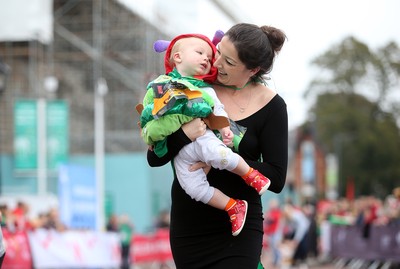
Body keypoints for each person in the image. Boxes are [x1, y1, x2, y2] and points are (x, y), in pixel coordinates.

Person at [147, 23, 288, 269]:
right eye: (219, 52)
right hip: (189, 223)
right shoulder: (194, 88)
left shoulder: (273, 106)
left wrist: (221, 160)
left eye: (229, 62)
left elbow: (276, 178)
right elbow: (154, 158)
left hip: (239, 227)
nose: (217, 63)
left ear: (252, 69)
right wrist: (184, 135)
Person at [138, 33, 271, 236]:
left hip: (203, 141)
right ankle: (232, 206)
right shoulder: (159, 85)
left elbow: (218, 111)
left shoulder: (206, 90)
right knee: (192, 188)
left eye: (210, 58)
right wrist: (155, 135)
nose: (208, 60)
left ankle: (250, 175)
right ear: (177, 57)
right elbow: (150, 118)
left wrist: (225, 130)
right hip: (183, 161)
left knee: (218, 155)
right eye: (201, 53)